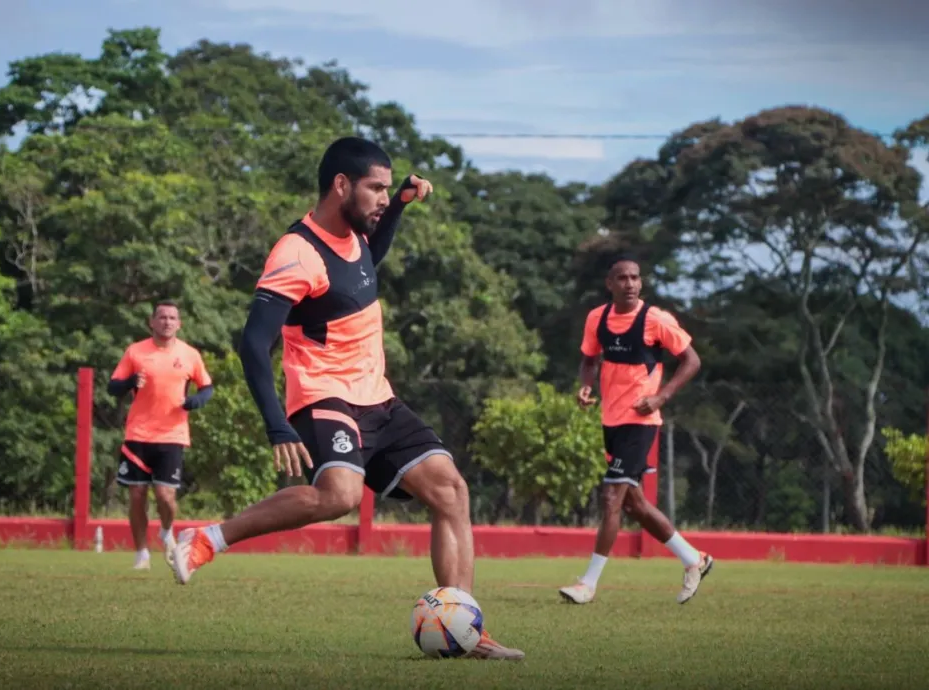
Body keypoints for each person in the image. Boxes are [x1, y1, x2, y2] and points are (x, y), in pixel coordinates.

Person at [169, 136, 524, 661]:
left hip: (377, 398)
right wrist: (277, 425)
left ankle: (465, 629)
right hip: (324, 396)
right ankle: (207, 539)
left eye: (386, 188)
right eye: (375, 188)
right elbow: (252, 342)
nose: (382, 196)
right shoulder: (296, 253)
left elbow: (366, 265)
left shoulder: (358, 237)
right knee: (339, 496)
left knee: (451, 491)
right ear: (341, 186)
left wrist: (399, 203)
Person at [558, 253, 713, 606]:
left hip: (641, 421)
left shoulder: (655, 320)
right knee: (634, 505)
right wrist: (586, 385)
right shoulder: (597, 318)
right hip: (610, 421)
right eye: (622, 278)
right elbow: (588, 358)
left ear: (641, 283)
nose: (630, 284)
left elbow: (692, 360)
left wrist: (661, 398)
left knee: (612, 496)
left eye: (635, 278)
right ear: (610, 284)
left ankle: (588, 583)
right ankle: (694, 560)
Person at [108, 301, 214, 571]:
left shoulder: (189, 354)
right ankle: (141, 552)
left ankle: (166, 530)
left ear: (179, 324)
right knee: (136, 495)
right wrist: (131, 382)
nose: (167, 322)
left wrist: (196, 401)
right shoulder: (136, 352)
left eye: (172, 318)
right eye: (162, 317)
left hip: (173, 435)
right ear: (152, 322)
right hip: (138, 435)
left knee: (166, 497)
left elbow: (207, 388)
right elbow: (113, 386)